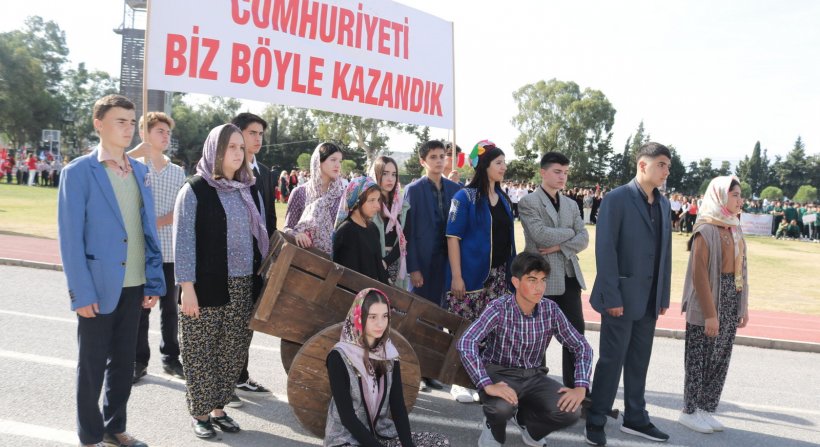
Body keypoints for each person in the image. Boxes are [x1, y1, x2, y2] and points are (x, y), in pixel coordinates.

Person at [58, 94, 165, 447]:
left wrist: (153, 280)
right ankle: (89, 436)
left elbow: (147, 232)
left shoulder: (141, 172)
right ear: (98, 124)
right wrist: (80, 293)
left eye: (132, 122)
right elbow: (70, 239)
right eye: (121, 121)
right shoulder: (78, 172)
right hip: (97, 287)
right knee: (91, 366)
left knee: (123, 363)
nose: (128, 128)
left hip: (135, 285)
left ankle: (113, 427)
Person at [173, 124, 269, 438]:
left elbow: (260, 237)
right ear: (215, 150)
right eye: (231, 147)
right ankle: (200, 414)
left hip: (244, 285)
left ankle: (219, 409)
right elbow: (183, 242)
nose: (239, 153)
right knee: (200, 352)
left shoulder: (249, 189)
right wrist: (187, 288)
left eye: (241, 147)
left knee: (232, 351)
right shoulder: (195, 189)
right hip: (205, 285)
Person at [585, 142, 673, 446]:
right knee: (611, 361)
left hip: (648, 299)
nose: (666, 171)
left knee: (639, 361)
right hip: (619, 298)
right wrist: (611, 296)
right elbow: (605, 249)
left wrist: (662, 295)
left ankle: (636, 417)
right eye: (661, 165)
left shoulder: (663, 204)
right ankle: (596, 419)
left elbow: (665, 253)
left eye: (668, 166)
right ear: (642, 165)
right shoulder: (617, 198)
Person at [458, 253, 591, 447]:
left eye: (543, 280)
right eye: (532, 280)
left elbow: (581, 346)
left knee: (572, 410)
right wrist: (486, 384)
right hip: (499, 372)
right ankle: (493, 428)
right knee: (501, 409)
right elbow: (466, 342)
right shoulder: (498, 308)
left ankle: (529, 426)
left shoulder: (551, 309)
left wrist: (580, 386)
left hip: (533, 376)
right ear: (516, 282)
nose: (540, 287)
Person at [325, 288, 450, 446]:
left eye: (385, 316)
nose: (380, 323)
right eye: (373, 317)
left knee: (440, 442)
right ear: (359, 317)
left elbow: (398, 407)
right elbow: (347, 418)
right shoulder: (339, 356)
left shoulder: (389, 354)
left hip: (382, 434)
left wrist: (408, 445)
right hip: (346, 439)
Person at [678, 176, 750, 434]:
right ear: (720, 196)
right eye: (735, 195)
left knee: (720, 356)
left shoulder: (734, 227)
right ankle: (689, 411)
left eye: (740, 195)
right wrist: (710, 314)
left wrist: (742, 306)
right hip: (708, 298)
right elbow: (698, 275)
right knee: (699, 357)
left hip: (730, 296)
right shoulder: (705, 229)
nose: (740, 200)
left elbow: (742, 270)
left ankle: (706, 408)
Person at [445, 140, 515, 403]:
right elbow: (453, 237)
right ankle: (456, 381)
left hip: (499, 277)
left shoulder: (504, 199)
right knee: (464, 329)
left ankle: (483, 381)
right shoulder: (465, 197)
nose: (503, 167)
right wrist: (456, 276)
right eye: (499, 162)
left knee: (490, 331)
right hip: (470, 275)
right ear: (484, 165)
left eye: (504, 162)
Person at [518, 151, 589, 391]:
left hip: (569, 277)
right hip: (540, 278)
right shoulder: (529, 202)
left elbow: (584, 238)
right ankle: (536, 390)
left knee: (575, 336)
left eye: (565, 173)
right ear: (543, 172)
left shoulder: (571, 204)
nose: (562, 177)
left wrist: (559, 245)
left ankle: (576, 388)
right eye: (557, 172)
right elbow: (540, 236)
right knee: (537, 338)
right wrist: (570, 233)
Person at [128, 111, 187, 383]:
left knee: (170, 309)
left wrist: (156, 221)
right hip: (143, 252)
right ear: (144, 133)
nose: (165, 136)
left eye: (168, 132)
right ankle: (138, 360)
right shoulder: (134, 168)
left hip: (170, 251)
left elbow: (180, 210)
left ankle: (171, 358)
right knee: (142, 308)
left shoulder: (177, 172)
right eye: (159, 131)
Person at [404, 140, 461, 391]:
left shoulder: (455, 189)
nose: (439, 161)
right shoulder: (413, 190)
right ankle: (416, 370)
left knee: (441, 315)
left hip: (447, 263)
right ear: (423, 161)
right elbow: (408, 232)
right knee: (421, 317)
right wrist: (414, 267)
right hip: (423, 264)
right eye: (433, 157)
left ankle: (433, 369)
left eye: (442, 156)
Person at [231, 112, 276, 402]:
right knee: (230, 324)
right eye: (252, 133)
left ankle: (240, 376)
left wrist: (270, 255)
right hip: (232, 261)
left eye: (261, 133)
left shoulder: (266, 173)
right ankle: (224, 384)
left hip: (258, 261)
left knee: (247, 322)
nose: (258, 139)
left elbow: (269, 218)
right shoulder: (227, 171)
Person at [285, 142, 345, 255]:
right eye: (333, 160)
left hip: (335, 260)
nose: (338, 165)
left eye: (340, 161)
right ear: (318, 161)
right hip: (303, 257)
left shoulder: (342, 196)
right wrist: (297, 234)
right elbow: (287, 228)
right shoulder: (300, 192)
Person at [333, 176, 389, 283]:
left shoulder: (373, 228)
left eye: (378, 200)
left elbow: (379, 267)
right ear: (357, 202)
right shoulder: (346, 232)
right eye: (371, 200)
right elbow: (349, 277)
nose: (377, 206)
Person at [370, 156, 411, 290]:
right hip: (371, 263)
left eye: (394, 174)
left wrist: (386, 262)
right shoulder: (369, 204)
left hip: (395, 262)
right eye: (385, 173)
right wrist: (379, 263)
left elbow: (406, 237)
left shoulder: (403, 206)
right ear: (376, 175)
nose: (390, 179)